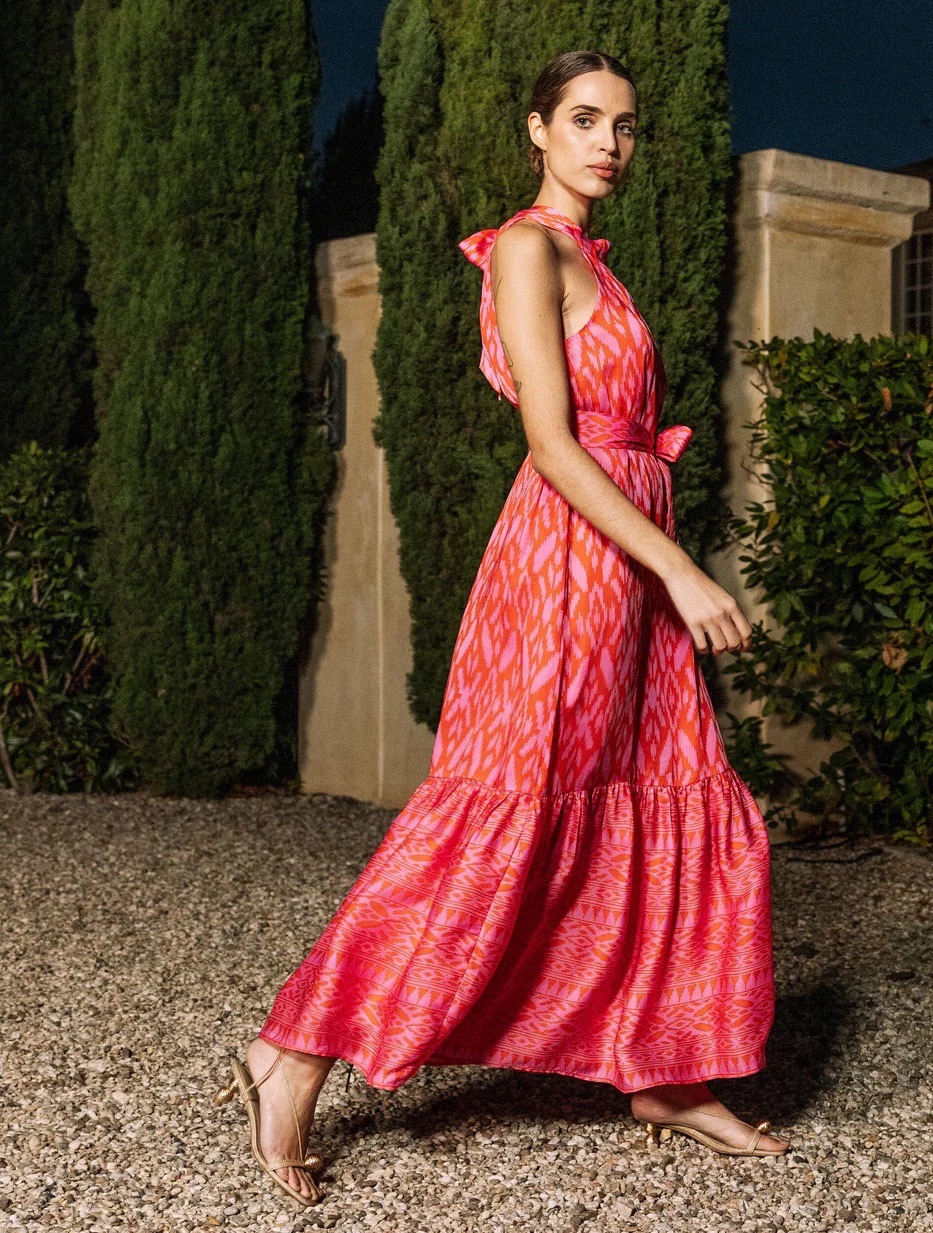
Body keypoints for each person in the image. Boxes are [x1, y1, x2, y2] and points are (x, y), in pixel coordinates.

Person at [214, 48, 791, 1209]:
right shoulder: (526, 247)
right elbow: (552, 443)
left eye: (623, 126)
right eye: (583, 120)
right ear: (537, 129)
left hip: (622, 573)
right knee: (505, 819)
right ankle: (294, 1049)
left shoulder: (594, 260)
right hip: (571, 568)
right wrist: (679, 570)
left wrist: (660, 577)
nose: (607, 144)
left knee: (657, 799)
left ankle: (666, 1071)